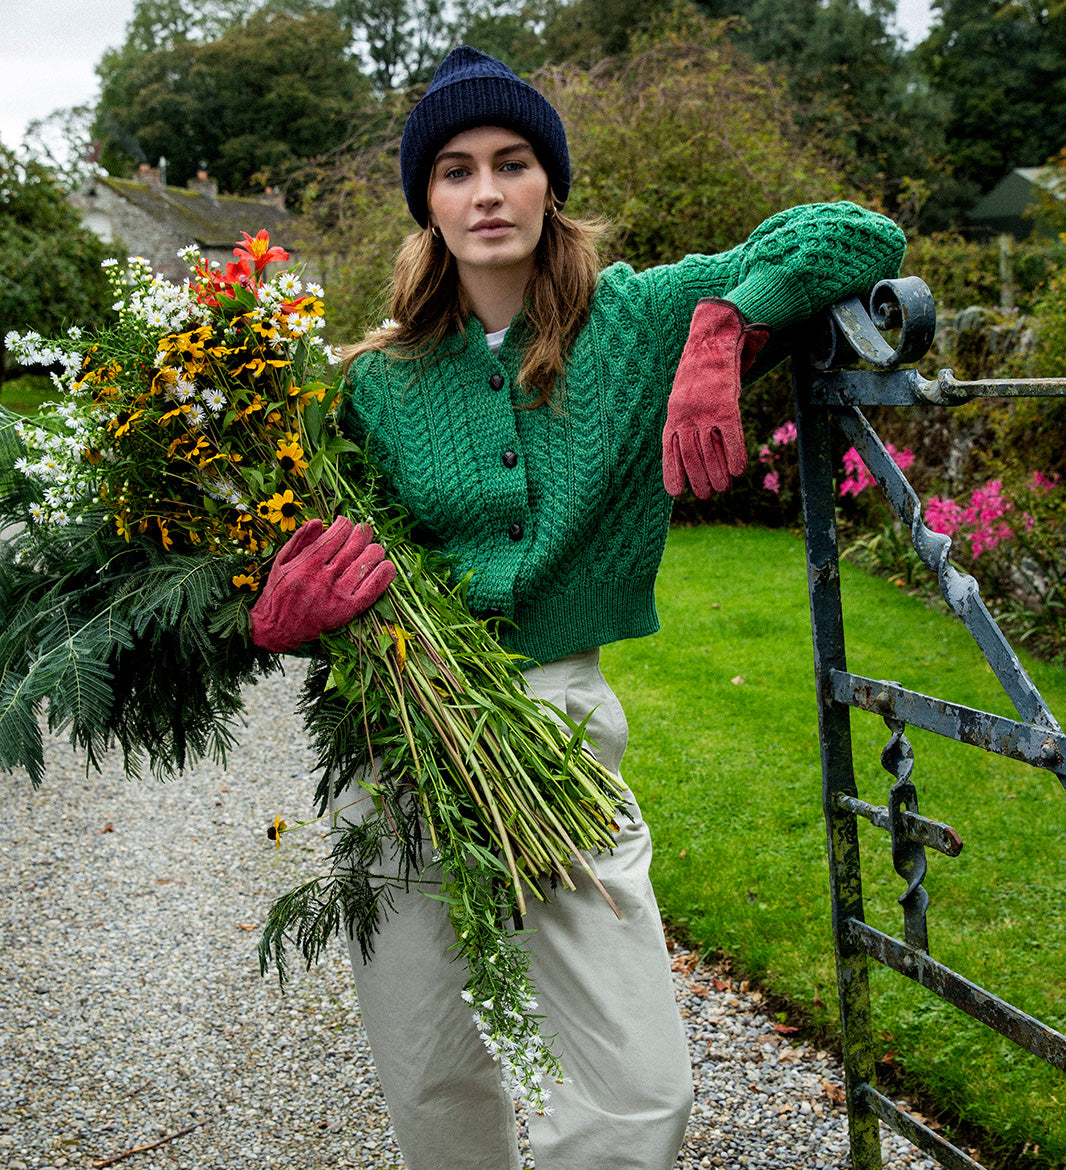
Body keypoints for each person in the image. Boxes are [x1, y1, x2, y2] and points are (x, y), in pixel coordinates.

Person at [249, 46, 906, 1170]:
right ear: (428, 202)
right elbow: (283, 561)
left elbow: (858, 235)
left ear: (550, 182)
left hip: (554, 728)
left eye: (513, 163)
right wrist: (278, 615)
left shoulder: (638, 318)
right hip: (396, 731)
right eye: (455, 171)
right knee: (433, 1074)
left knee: (638, 1088)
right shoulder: (374, 381)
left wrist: (720, 330)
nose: (488, 191)